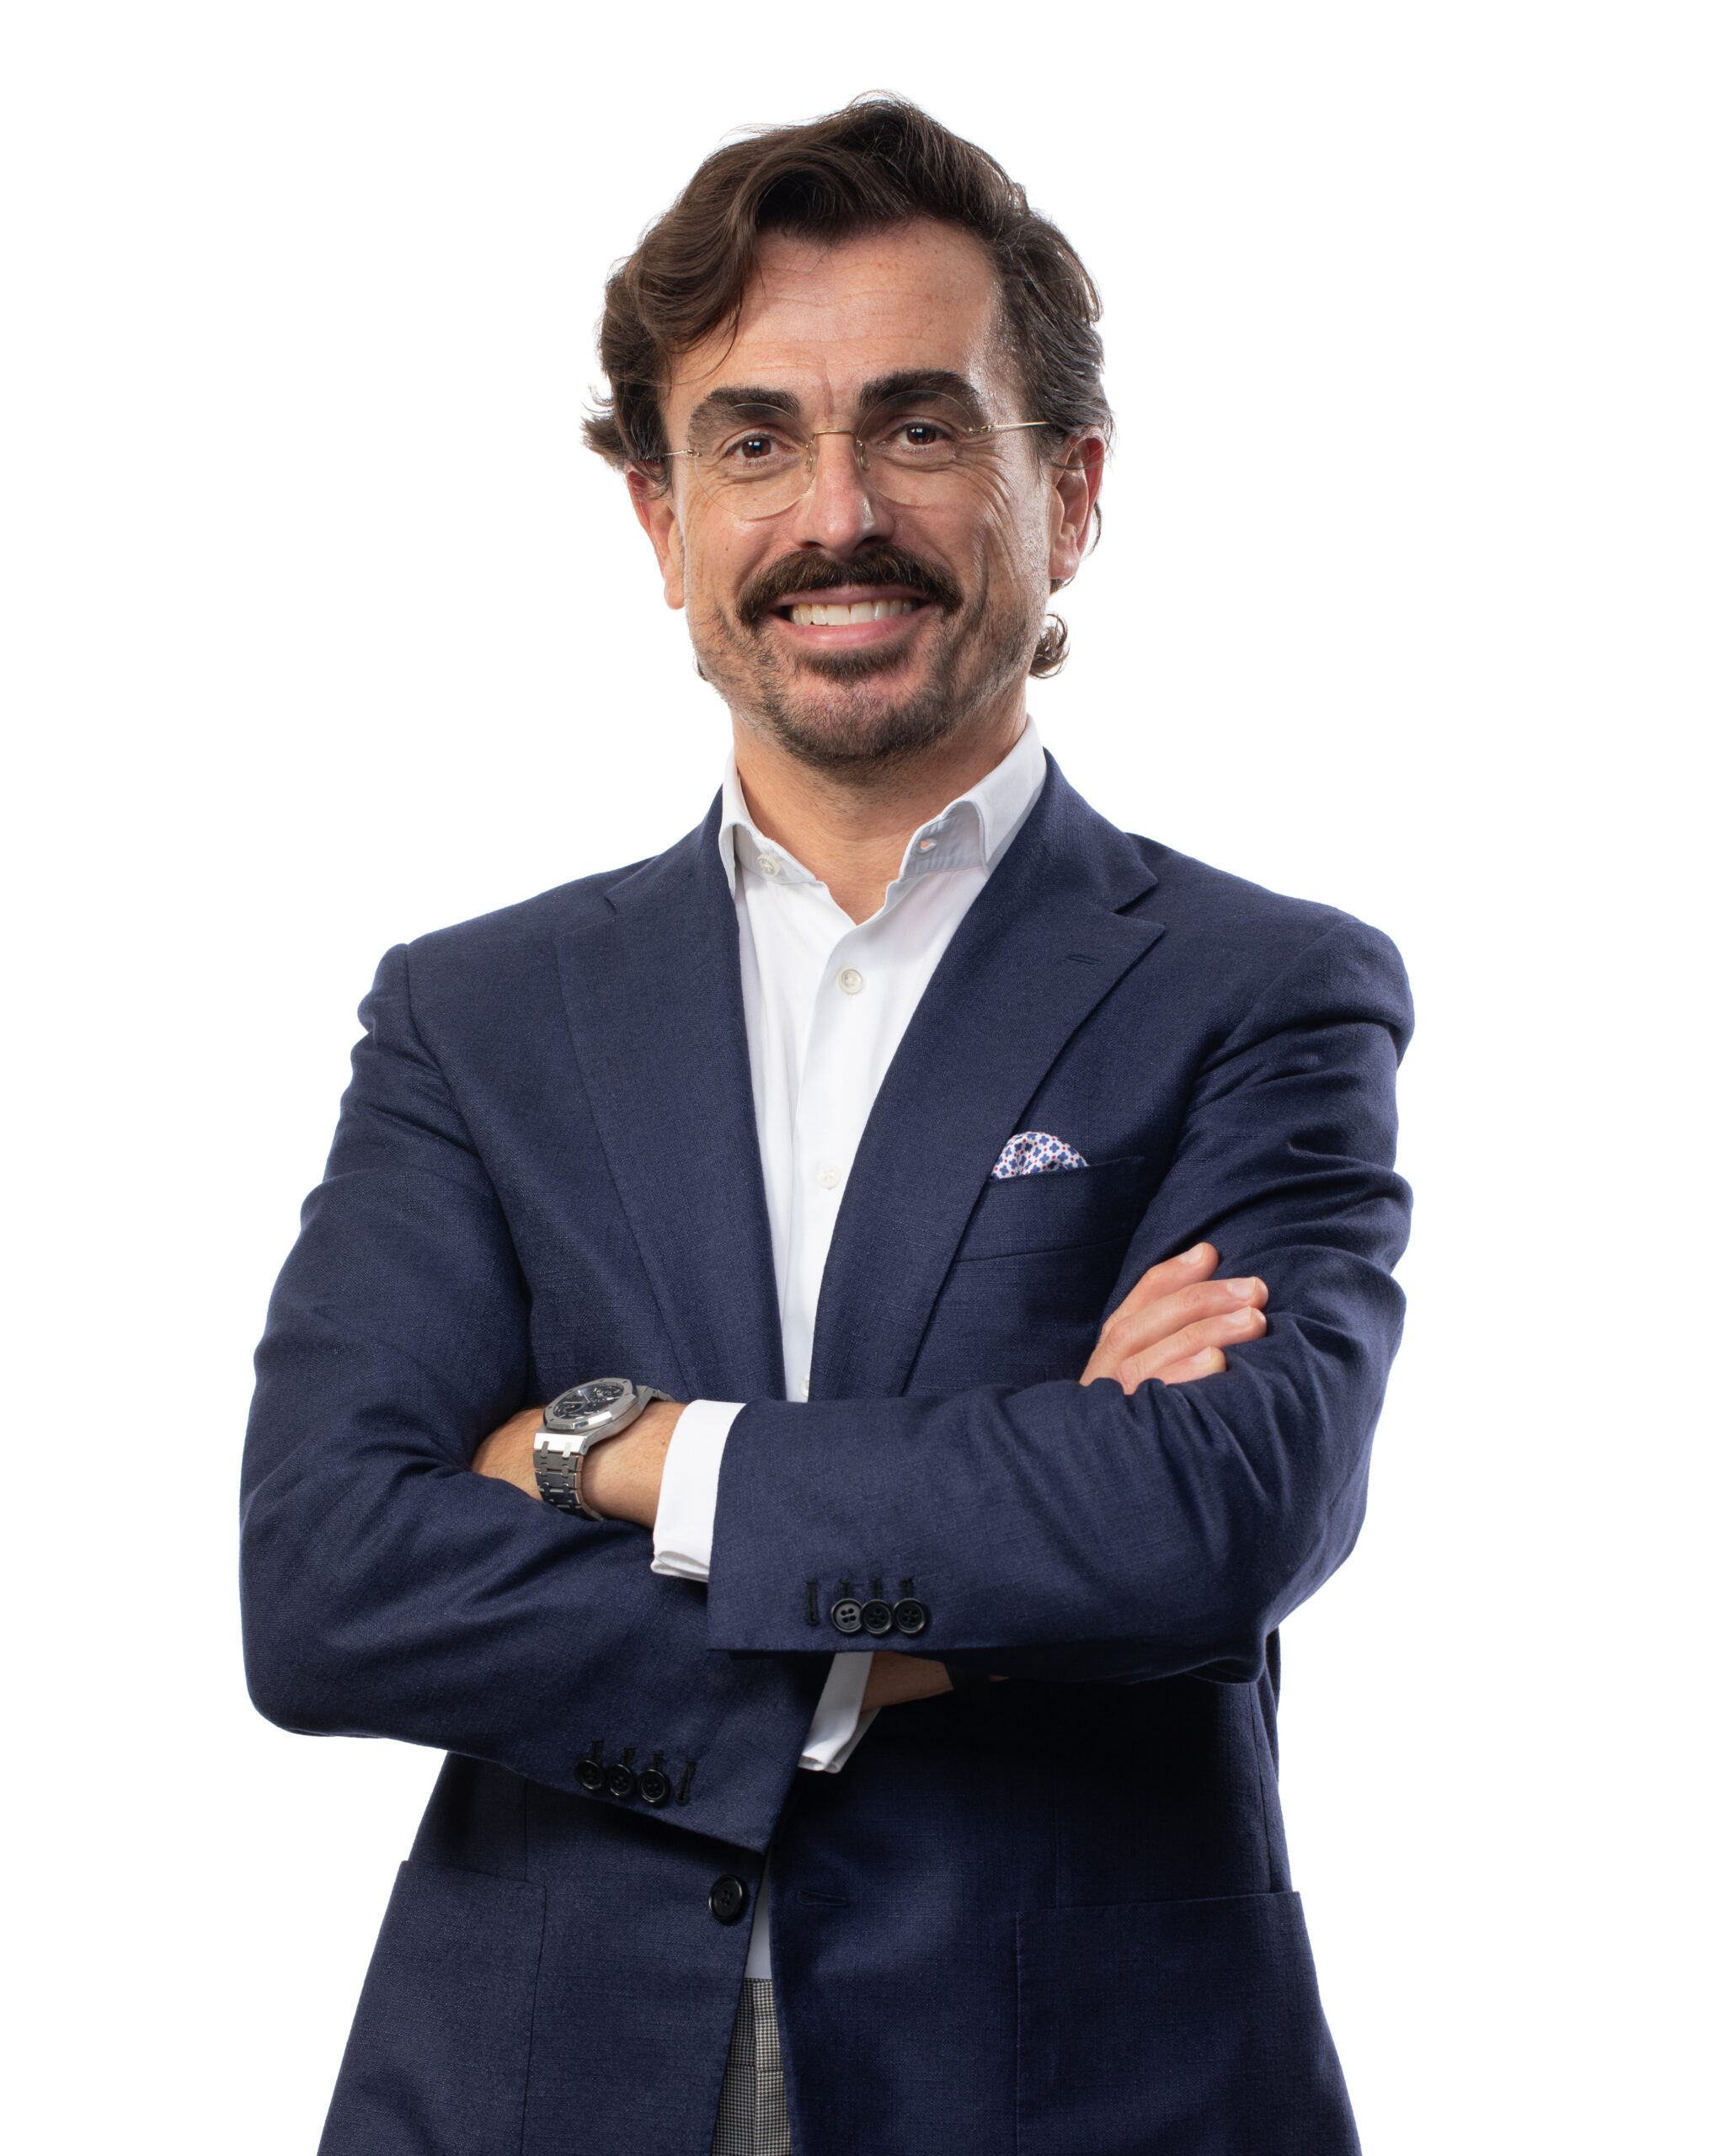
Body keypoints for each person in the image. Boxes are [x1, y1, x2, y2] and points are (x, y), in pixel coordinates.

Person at [240, 93, 1413, 2156]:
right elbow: (325, 1577)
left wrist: (614, 1453)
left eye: (919, 426)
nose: (836, 511)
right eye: (753, 442)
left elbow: (1215, 1512)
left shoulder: (1262, 987)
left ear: (1070, 488)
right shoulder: (476, 1014)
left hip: (1089, 2087)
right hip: (534, 2082)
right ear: (661, 519)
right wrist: (946, 1628)